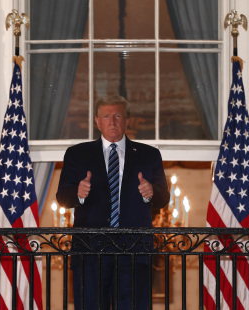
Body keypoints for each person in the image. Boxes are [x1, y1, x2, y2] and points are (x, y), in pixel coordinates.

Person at [56, 95, 170, 309]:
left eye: (118, 115)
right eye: (106, 116)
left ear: (127, 120)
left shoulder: (149, 155)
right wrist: (79, 194)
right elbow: (62, 197)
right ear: (97, 121)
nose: (112, 121)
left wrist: (151, 192)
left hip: (135, 251)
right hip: (90, 252)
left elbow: (163, 198)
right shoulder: (77, 154)